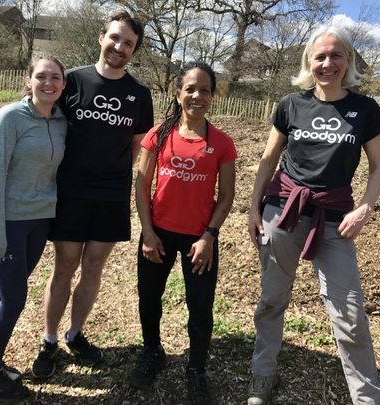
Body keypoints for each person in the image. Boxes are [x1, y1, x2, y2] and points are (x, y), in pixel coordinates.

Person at [247, 24, 380, 405]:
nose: (327, 63)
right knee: (272, 298)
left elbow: (379, 167)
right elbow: (268, 159)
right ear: (309, 61)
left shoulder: (365, 109)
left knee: (350, 314)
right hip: (283, 211)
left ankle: (369, 397)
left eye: (336, 55)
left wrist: (365, 207)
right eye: (320, 56)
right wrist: (253, 206)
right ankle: (263, 373)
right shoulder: (291, 104)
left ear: (349, 61)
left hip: (335, 219)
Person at [32, 11, 154, 378]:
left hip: (110, 197)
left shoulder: (139, 95)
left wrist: (111, 173)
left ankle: (75, 334)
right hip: (70, 192)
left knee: (94, 267)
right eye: (115, 38)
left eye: (129, 43)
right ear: (102, 37)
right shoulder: (71, 81)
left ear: (134, 51)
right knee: (65, 266)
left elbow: (136, 146)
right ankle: (50, 339)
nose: (120, 47)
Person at [128, 61, 237, 405]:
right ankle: (152, 351)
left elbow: (228, 195)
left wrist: (209, 237)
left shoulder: (221, 143)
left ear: (212, 97)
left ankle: (196, 370)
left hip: (199, 241)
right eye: (190, 89)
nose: (197, 96)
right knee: (149, 298)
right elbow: (141, 184)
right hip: (157, 234)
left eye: (205, 90)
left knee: (200, 308)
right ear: (178, 93)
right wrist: (147, 232)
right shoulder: (158, 135)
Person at [0, 54, 67, 401]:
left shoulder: (60, 121)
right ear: (28, 80)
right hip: (9, 222)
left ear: (62, 84)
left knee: (5, 293)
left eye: (56, 78)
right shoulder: (9, 117)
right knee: (14, 299)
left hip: (40, 221)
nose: (49, 83)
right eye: (41, 76)